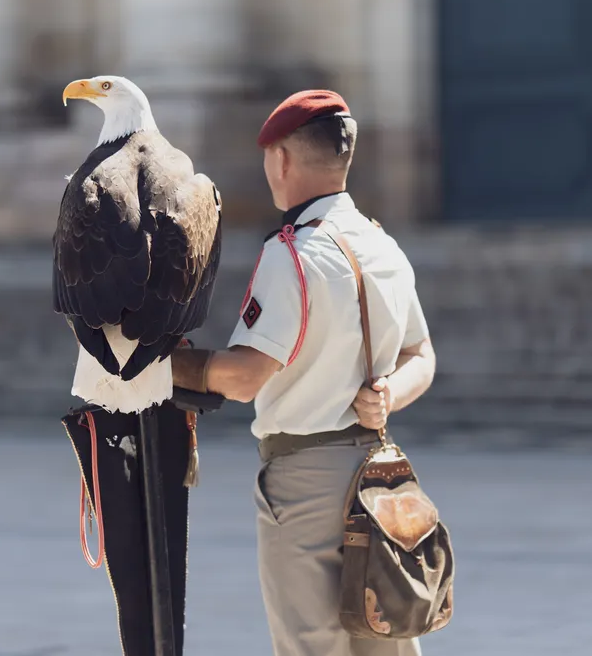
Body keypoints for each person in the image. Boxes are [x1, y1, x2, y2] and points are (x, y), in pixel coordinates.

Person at [170, 89, 437, 656]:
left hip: (307, 481)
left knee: (313, 647)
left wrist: (165, 363)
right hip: (378, 472)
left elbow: (244, 378)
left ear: (281, 160)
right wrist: (388, 396)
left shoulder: (293, 252)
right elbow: (423, 357)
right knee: (386, 644)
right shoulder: (383, 245)